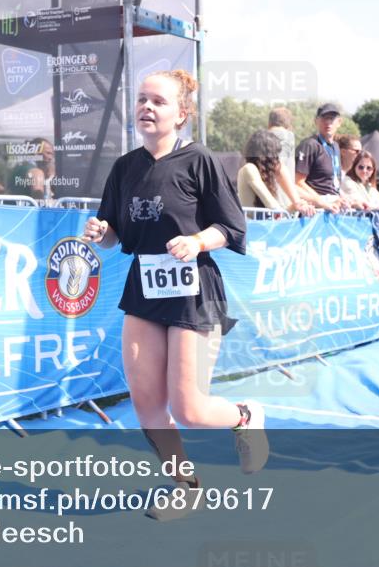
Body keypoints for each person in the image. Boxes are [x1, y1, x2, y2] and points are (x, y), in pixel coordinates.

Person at [82, 70, 268, 521]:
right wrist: (102, 233)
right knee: (147, 404)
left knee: (190, 409)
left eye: (158, 102)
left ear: (181, 114)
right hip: (143, 291)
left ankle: (244, 416)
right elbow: (116, 237)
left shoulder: (199, 160)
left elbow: (232, 228)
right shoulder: (125, 167)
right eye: (142, 99)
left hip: (194, 295)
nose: (146, 107)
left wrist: (198, 241)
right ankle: (184, 485)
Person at [237, 130, 315, 215]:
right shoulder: (249, 169)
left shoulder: (256, 171)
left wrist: (295, 206)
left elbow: (276, 214)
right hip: (252, 226)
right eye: (275, 154)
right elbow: (274, 208)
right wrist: (297, 205)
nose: (277, 158)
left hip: (261, 225)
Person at [294, 103, 348, 212]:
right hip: (316, 209)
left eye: (331, 119)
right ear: (316, 121)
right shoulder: (310, 145)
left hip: (333, 205)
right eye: (324, 119)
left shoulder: (336, 146)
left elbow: (333, 182)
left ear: (339, 122)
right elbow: (298, 182)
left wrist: (344, 198)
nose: (328, 123)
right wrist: (322, 202)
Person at [267, 107, 296, 177]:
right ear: (288, 123)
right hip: (282, 185)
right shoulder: (287, 136)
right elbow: (280, 167)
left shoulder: (260, 138)